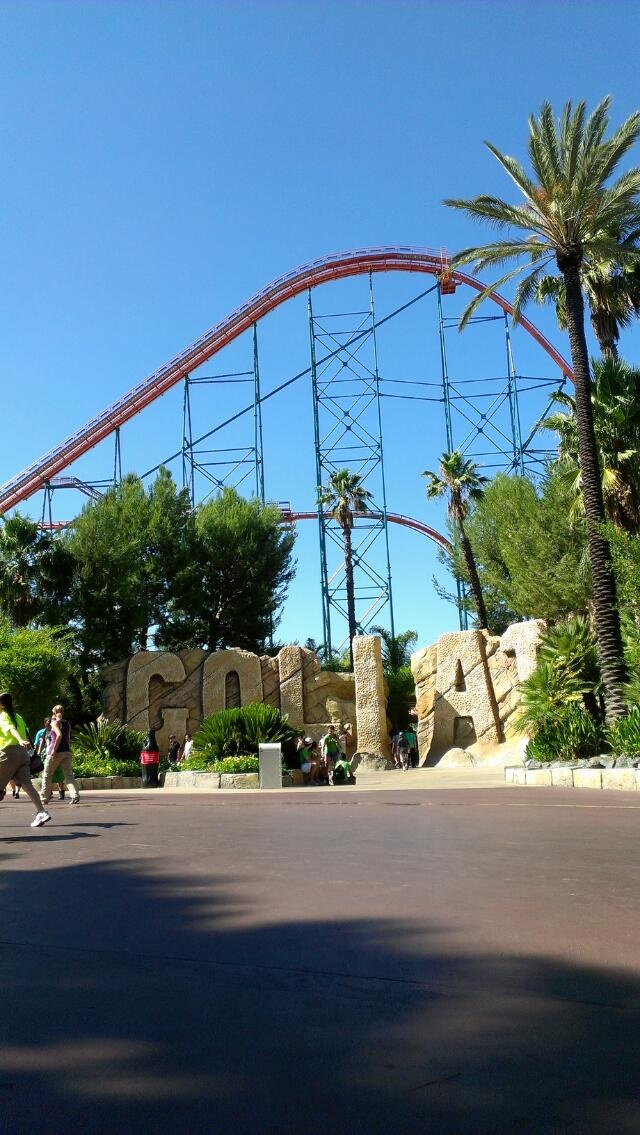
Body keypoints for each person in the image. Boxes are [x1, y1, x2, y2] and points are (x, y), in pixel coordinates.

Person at [0, 691, 51, 827]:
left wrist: (19, 739)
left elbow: (10, 730)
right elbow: (24, 731)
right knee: (26, 784)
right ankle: (41, 812)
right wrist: (22, 742)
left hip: (9, 753)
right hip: (23, 754)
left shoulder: (3, 716)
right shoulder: (18, 717)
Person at [41, 705, 80, 805]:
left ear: (54, 712)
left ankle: (44, 797)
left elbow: (59, 735)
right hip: (66, 751)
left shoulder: (54, 722)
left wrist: (54, 749)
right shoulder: (67, 723)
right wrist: (68, 749)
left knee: (47, 774)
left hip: (55, 752)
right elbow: (67, 738)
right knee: (68, 775)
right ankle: (75, 795)